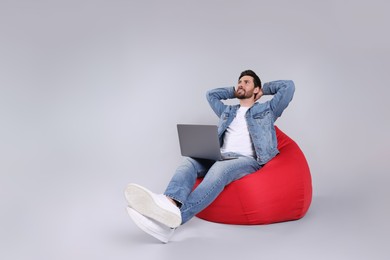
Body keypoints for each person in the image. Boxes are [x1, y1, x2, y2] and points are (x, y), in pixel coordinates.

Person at [124, 70, 295, 243]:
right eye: (239, 82)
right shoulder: (227, 111)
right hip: (221, 155)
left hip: (246, 160)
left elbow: (288, 86)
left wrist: (263, 90)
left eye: (246, 82)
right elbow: (210, 95)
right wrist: (233, 91)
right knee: (190, 161)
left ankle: (173, 220)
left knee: (219, 169)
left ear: (256, 88)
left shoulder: (268, 110)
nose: (241, 84)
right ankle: (168, 201)